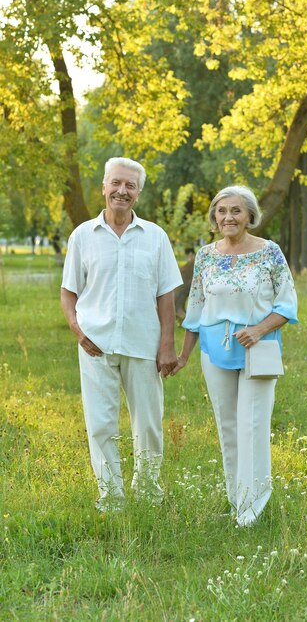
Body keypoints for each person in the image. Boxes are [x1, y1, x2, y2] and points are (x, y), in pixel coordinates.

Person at [61, 157, 183, 511]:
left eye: (130, 186)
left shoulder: (155, 237)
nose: (121, 191)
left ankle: (146, 491)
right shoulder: (83, 235)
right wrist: (77, 330)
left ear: (138, 193)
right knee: (100, 424)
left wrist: (167, 346)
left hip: (143, 342)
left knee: (148, 424)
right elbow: (69, 291)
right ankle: (111, 497)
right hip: (95, 342)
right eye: (116, 183)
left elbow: (166, 295)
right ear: (104, 186)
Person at [172, 185, 297, 526]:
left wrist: (257, 330)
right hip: (215, 350)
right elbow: (195, 309)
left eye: (236, 211)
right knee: (228, 427)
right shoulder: (206, 255)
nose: (228, 217)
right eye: (222, 211)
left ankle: (253, 508)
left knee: (252, 425)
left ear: (250, 216)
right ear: (214, 217)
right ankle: (237, 500)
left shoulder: (269, 252)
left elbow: (288, 304)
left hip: (258, 350)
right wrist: (183, 356)